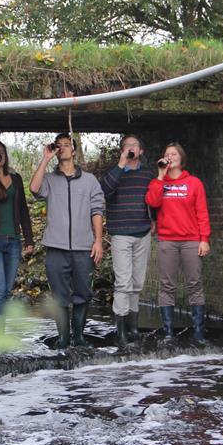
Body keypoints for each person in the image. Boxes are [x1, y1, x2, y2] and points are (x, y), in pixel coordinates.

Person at [30, 133, 105, 348]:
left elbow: (97, 211)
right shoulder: (50, 180)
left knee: (83, 293)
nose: (63, 148)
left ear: (74, 150)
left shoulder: (90, 180)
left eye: (67, 145)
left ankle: (79, 337)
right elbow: (34, 189)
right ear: (56, 151)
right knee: (59, 296)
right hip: (56, 248)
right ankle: (63, 339)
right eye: (59, 145)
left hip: (84, 248)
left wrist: (98, 241)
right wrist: (45, 158)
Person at [145, 142, 211, 345]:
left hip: (191, 240)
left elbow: (202, 212)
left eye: (173, 154)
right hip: (167, 240)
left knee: (194, 284)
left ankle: (199, 332)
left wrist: (204, 240)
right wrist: (159, 176)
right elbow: (152, 202)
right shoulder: (159, 182)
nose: (170, 157)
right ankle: (168, 333)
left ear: (181, 158)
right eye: (167, 154)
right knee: (167, 286)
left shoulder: (194, 183)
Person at [100, 134, 155, 347]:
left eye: (134, 145)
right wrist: (120, 165)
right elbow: (105, 190)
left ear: (141, 151)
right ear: (122, 150)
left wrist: (155, 220)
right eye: (126, 146)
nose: (131, 148)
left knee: (137, 283)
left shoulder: (148, 175)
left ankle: (133, 328)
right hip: (121, 234)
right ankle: (120, 331)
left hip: (142, 232)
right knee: (123, 283)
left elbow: (156, 199)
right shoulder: (114, 173)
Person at [0, 140, 35, 329]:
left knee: (5, 291)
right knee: (0, 290)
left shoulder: (15, 177)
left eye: (1, 152)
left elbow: (23, 209)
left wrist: (29, 238)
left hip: (14, 241)